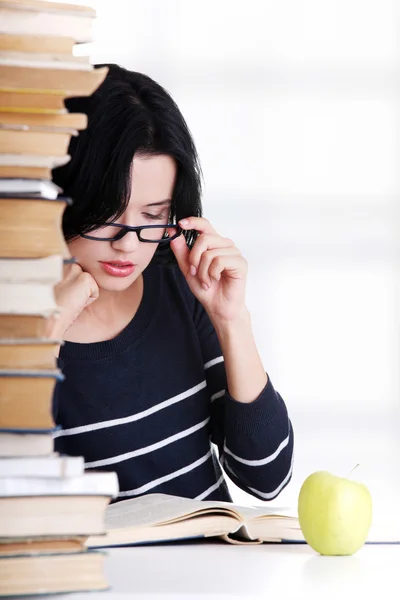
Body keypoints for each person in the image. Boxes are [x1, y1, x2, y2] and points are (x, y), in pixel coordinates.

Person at [49, 64, 294, 503]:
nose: (127, 244)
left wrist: (231, 320)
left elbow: (267, 477)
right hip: (108, 571)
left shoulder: (177, 284)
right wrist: (41, 340)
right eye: (106, 212)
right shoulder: (25, 326)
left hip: (211, 563)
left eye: (152, 215)